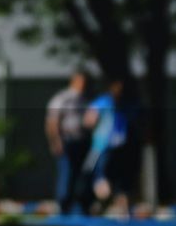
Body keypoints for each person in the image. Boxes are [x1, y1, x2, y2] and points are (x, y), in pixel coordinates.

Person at [83, 76, 137, 217]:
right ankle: (110, 205)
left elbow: (89, 120)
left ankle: (107, 204)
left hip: (111, 146)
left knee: (104, 178)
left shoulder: (113, 103)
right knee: (110, 180)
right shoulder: (114, 103)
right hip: (112, 145)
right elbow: (89, 120)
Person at [45, 70, 91, 215]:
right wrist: (56, 142)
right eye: (81, 81)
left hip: (82, 141)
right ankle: (63, 206)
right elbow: (52, 122)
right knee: (67, 173)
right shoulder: (62, 98)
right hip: (67, 140)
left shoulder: (85, 100)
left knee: (81, 174)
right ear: (74, 81)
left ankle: (80, 205)